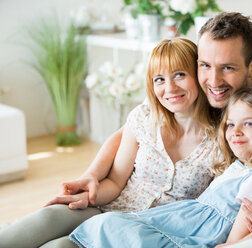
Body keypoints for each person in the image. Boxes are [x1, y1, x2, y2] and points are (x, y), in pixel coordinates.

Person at [61, 11, 252, 238]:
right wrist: (92, 175)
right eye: (205, 65)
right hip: (126, 208)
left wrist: (244, 243)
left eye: (228, 68)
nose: (213, 80)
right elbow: (132, 129)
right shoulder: (183, 81)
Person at [0, 38, 227, 248]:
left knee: (58, 246)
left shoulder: (222, 140)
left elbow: (211, 209)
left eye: (179, 75)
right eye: (159, 79)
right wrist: (88, 197)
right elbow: (116, 183)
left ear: (199, 75)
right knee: (47, 217)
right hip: (109, 208)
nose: (169, 88)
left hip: (148, 233)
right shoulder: (143, 118)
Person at [69, 86, 252, 248]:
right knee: (111, 224)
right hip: (182, 220)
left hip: (198, 234)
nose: (235, 132)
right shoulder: (237, 167)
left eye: (249, 124)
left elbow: (247, 216)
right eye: (231, 124)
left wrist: (232, 245)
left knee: (128, 233)